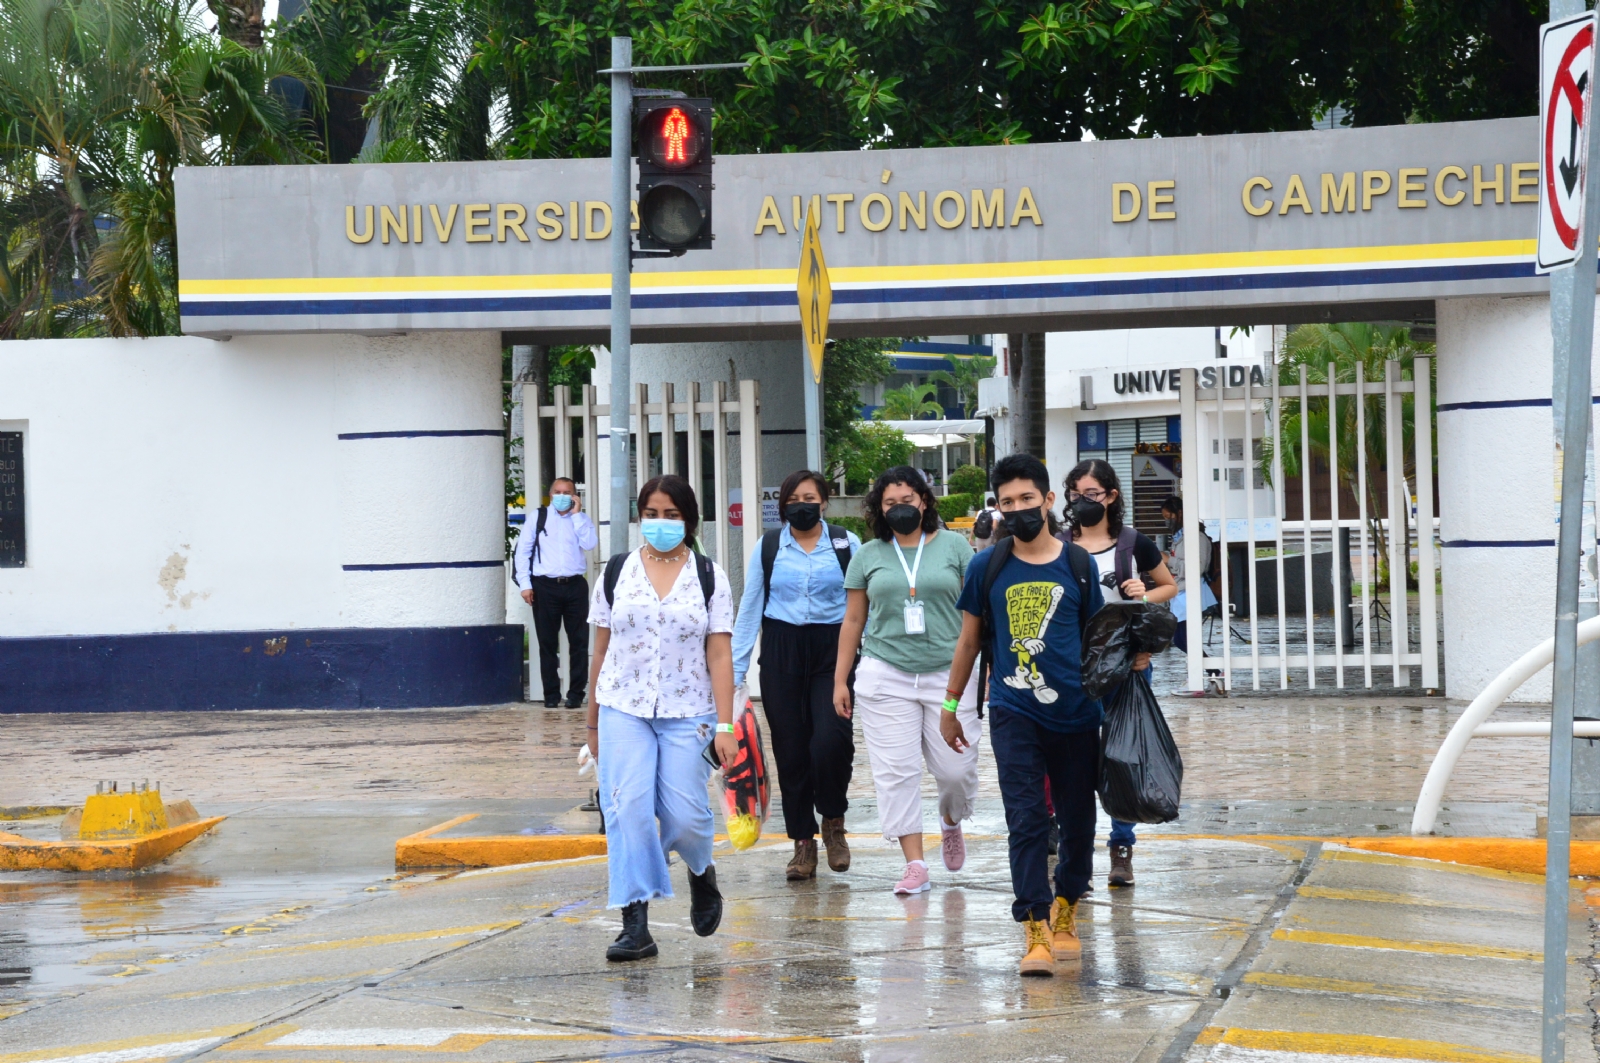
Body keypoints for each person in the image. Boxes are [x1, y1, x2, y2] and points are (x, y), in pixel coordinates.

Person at [944, 453, 1104, 977]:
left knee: (1078, 821)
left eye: (1027, 500)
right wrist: (951, 706)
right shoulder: (985, 565)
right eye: (1008, 503)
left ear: (1049, 501)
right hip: (1013, 709)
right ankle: (1033, 926)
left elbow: (1098, 640)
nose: (1018, 511)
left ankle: (1066, 912)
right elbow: (969, 641)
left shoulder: (1079, 565)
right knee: (1027, 818)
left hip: (1078, 714)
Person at [585, 475, 737, 962]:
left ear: (689, 520)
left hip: (688, 710)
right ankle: (636, 924)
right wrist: (591, 723)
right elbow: (600, 649)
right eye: (651, 512)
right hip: (622, 708)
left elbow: (719, 655)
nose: (660, 523)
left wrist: (726, 725)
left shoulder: (710, 576)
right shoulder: (615, 572)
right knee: (627, 810)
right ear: (639, 517)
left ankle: (700, 872)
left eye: (671, 515)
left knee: (686, 816)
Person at [834, 466, 980, 896]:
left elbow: (976, 614)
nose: (900, 509)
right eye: (890, 503)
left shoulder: (955, 546)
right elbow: (854, 619)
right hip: (885, 673)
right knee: (895, 773)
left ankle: (950, 820)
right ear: (879, 509)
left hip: (948, 673)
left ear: (925, 501)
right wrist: (840, 679)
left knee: (956, 770)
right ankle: (914, 864)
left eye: (907, 500)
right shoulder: (869, 554)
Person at [732, 469, 862, 881]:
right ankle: (802, 842)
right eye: (792, 499)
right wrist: (735, 675)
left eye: (809, 497)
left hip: (833, 652)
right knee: (791, 752)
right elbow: (751, 606)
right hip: (782, 652)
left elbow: (862, 606)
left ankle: (834, 823)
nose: (801, 505)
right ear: (782, 505)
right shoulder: (769, 546)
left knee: (831, 741)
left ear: (824, 501)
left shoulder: (845, 543)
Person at [1063, 459, 1177, 889]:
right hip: (1072, 665)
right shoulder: (1059, 544)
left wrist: (1143, 592)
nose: (1082, 502)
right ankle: (1073, 849)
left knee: (1122, 755)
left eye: (1090, 494)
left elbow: (1169, 585)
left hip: (1127, 665)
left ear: (1111, 496)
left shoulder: (1133, 543)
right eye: (1075, 494)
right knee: (1073, 758)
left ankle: (1121, 846)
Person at [515, 477, 598, 708]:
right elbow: (523, 552)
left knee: (579, 643)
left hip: (575, 586)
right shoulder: (538, 517)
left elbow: (590, 543)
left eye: (567, 492)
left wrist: (578, 515)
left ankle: (575, 695)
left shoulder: (580, 519)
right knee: (547, 643)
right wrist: (525, 585)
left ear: (575, 495)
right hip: (545, 586)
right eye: (557, 492)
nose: (562, 496)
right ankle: (551, 695)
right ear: (551, 495)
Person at [1160, 495, 1215, 655]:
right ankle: (1209, 672)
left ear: (1180, 513)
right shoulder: (1180, 538)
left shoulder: (1197, 538)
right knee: (1183, 639)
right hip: (1181, 592)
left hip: (1191, 594)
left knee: (1183, 639)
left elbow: (1196, 568)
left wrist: (1169, 560)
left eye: (1168, 517)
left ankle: (1213, 672)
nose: (1167, 521)